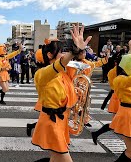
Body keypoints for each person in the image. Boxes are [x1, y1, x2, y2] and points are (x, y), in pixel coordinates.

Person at [32, 24, 91, 162]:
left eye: (65, 51)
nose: (64, 54)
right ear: (49, 55)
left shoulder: (64, 72)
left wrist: (80, 51)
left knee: (55, 159)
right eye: (61, 52)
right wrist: (74, 51)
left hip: (62, 121)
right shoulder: (41, 74)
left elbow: (85, 69)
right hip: (51, 123)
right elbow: (58, 66)